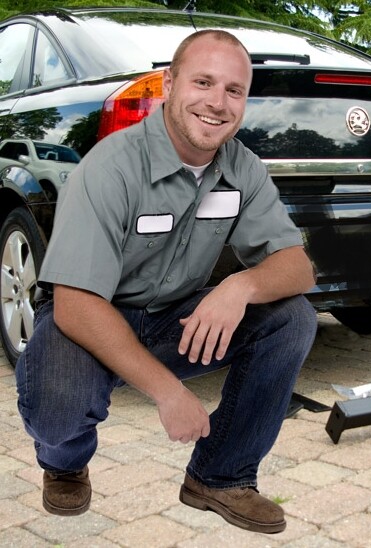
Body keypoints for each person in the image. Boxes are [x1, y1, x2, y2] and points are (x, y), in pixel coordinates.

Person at [15, 29, 317, 534]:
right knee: (58, 407)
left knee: (291, 317)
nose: (217, 103)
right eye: (203, 82)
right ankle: (65, 463)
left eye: (234, 90)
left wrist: (237, 288)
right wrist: (168, 392)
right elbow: (74, 305)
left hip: (174, 317)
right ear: (170, 84)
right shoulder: (111, 167)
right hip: (90, 317)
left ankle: (221, 476)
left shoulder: (242, 167)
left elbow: (299, 267)